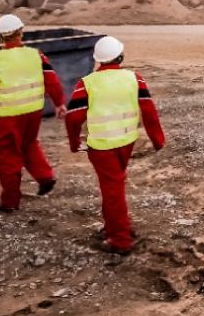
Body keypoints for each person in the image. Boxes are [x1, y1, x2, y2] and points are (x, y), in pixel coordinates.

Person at [64, 35, 164, 255]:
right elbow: (149, 112)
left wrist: (74, 142)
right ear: (120, 56)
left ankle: (120, 240)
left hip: (102, 147)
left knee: (112, 190)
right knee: (113, 187)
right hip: (126, 142)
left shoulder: (87, 83)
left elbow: (73, 118)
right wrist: (157, 139)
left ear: (98, 60)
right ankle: (117, 226)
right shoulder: (134, 79)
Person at [0, 14, 66, 212]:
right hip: (34, 112)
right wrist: (59, 103)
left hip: (8, 115)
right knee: (29, 144)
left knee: (8, 155)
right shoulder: (36, 55)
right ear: (21, 32)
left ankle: (9, 201)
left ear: (0, 37)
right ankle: (45, 176)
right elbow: (52, 80)